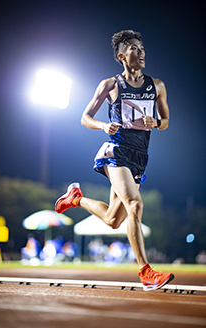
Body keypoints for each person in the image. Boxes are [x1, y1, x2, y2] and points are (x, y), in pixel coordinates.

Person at [55, 30, 174, 291]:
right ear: (122, 56)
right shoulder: (110, 85)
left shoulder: (157, 85)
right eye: (133, 48)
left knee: (113, 220)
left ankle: (75, 198)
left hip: (140, 156)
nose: (140, 52)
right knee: (135, 205)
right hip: (116, 150)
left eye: (142, 47)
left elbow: (166, 121)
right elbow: (85, 117)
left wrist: (157, 122)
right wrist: (102, 125)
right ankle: (146, 272)